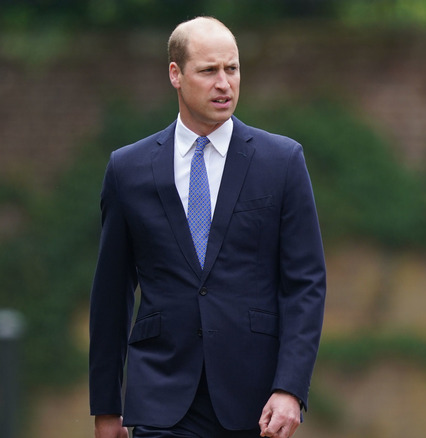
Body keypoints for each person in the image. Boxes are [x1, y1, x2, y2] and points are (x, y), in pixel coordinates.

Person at [89, 16, 327, 438]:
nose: (224, 83)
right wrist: (107, 408)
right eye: (209, 70)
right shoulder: (127, 169)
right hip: (159, 398)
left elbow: (305, 283)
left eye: (232, 69)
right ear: (175, 74)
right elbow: (111, 294)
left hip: (255, 401)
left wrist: (290, 387)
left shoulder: (282, 161)